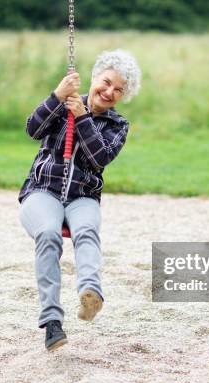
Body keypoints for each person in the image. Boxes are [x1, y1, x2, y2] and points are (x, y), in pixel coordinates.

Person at [18, 49, 141, 351]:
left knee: (86, 231)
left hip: (83, 196)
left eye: (118, 90)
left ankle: (90, 294)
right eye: (106, 82)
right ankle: (51, 322)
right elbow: (32, 129)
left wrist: (82, 117)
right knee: (48, 234)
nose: (109, 91)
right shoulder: (65, 101)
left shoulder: (117, 126)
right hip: (42, 191)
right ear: (95, 76)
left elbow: (100, 157)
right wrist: (57, 96)